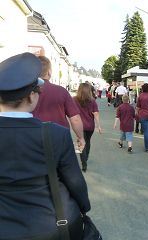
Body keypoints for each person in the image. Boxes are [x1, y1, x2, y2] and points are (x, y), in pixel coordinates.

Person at [0, 52, 90, 239]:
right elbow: (74, 181)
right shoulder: (56, 134)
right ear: (32, 96)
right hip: (51, 225)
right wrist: (84, 206)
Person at [32, 56, 85, 151]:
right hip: (58, 138)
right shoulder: (61, 91)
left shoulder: (25, 91)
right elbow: (75, 119)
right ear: (49, 72)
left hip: (31, 138)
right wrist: (80, 137)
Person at [74, 83, 102, 172]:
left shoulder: (74, 100)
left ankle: (83, 162)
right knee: (88, 141)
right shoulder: (92, 101)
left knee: (81, 142)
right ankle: (86, 157)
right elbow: (96, 113)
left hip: (79, 125)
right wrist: (99, 126)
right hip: (90, 126)